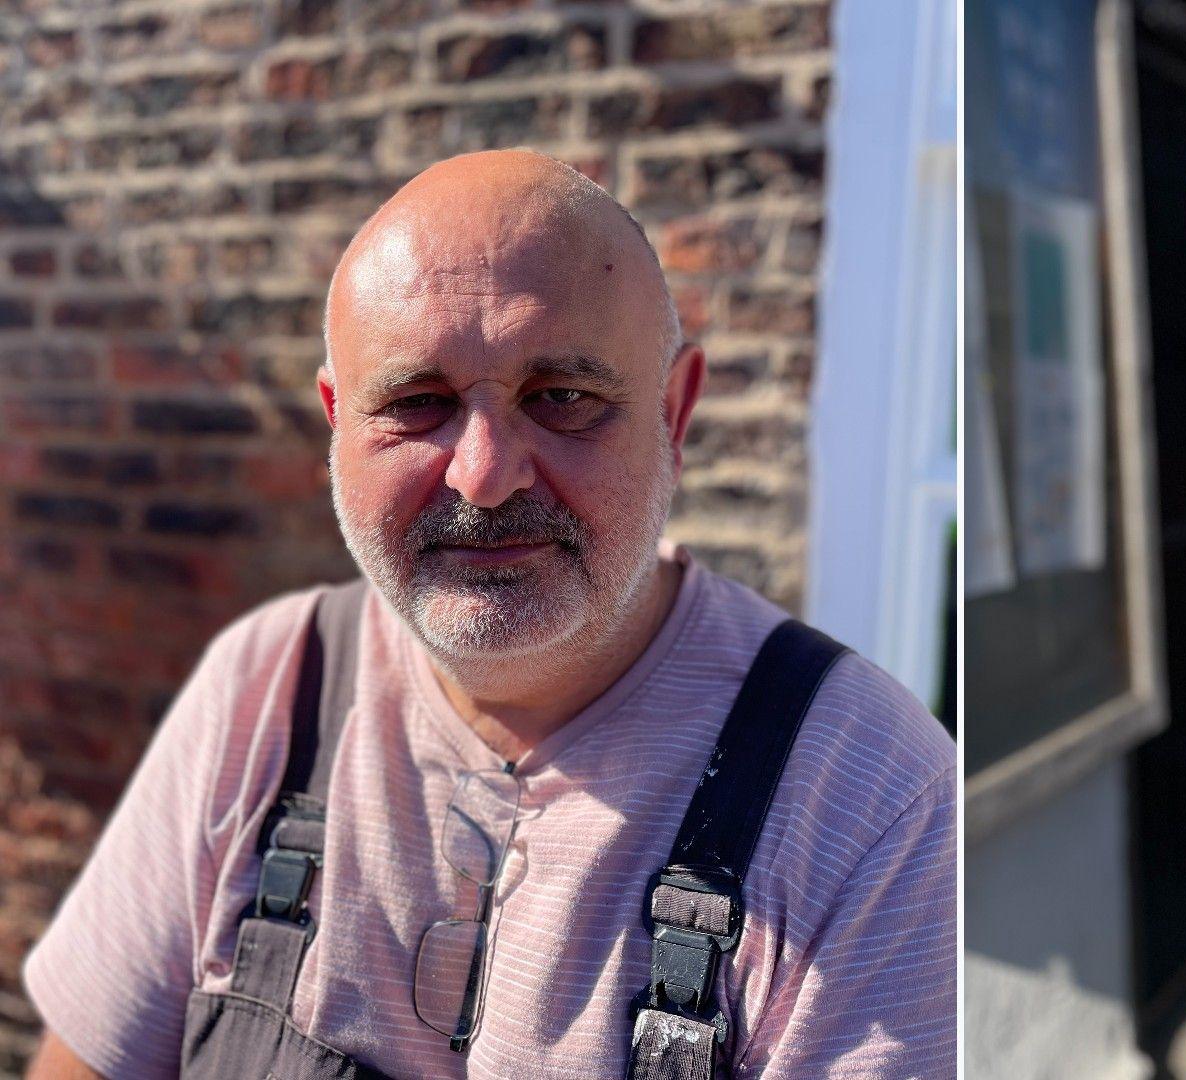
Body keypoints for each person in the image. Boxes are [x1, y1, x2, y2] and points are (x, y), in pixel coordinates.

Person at [22, 151, 956, 1079]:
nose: (484, 473)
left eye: (563, 399)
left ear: (674, 414)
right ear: (337, 423)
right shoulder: (267, 689)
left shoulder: (869, 804)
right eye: (417, 404)